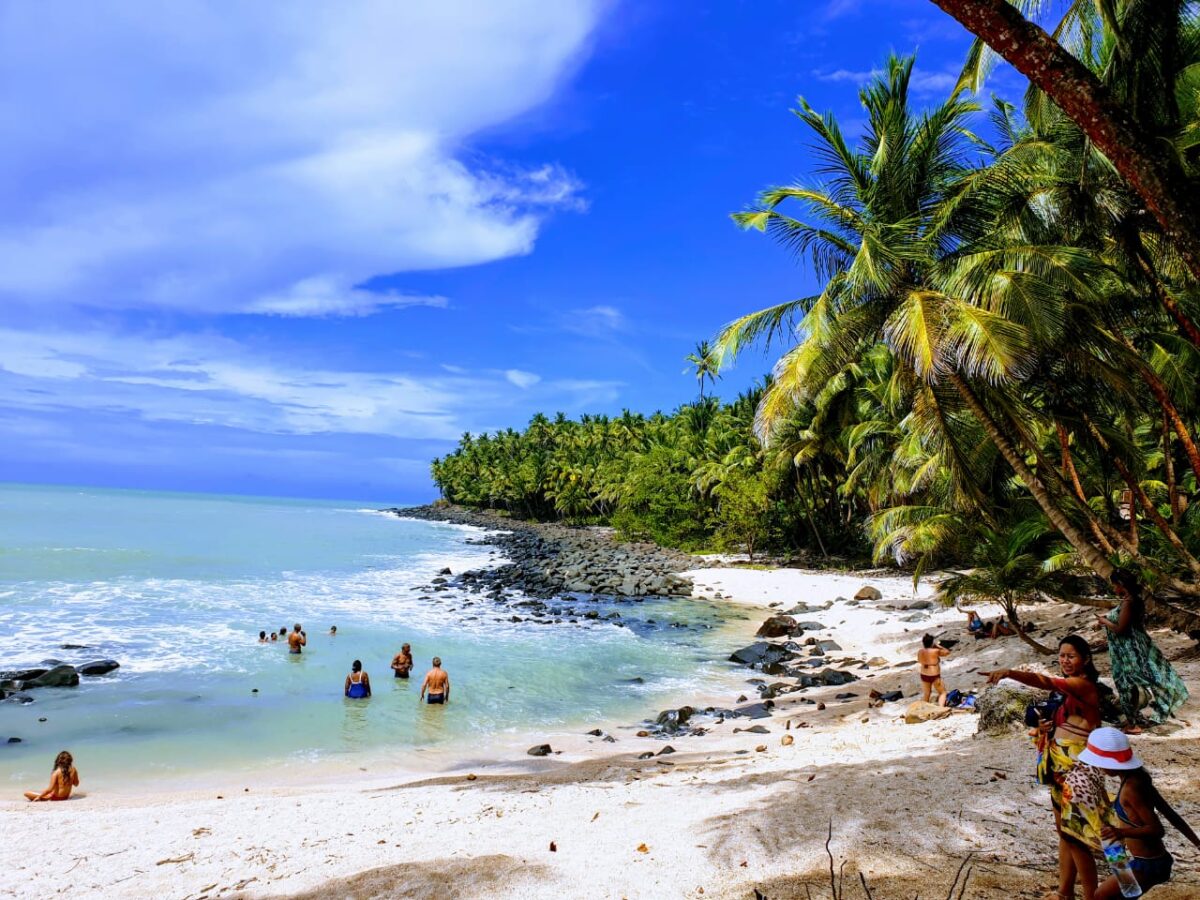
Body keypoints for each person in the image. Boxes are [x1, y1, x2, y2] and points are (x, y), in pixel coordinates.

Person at [984, 635, 1102, 900]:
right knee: (1065, 834)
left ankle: (1093, 896)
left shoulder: (1083, 686)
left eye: (1071, 656)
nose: (1065, 660)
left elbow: (1046, 680)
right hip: (1059, 768)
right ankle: (1064, 893)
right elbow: (1065, 722)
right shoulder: (1064, 694)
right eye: (1061, 655)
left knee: (1078, 837)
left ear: (1085, 659)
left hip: (1078, 771)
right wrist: (1043, 729)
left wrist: (1010, 673)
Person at [1076, 727, 1200, 898]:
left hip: (1149, 864)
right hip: (1145, 860)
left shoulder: (1131, 789)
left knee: (1101, 896)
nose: (1099, 768)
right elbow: (1170, 814)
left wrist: (1120, 832)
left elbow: (1157, 830)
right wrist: (1198, 843)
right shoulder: (1138, 779)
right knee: (1123, 895)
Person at [1097, 569, 1189, 732]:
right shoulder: (1134, 601)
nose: (1113, 588)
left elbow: (1120, 629)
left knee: (1127, 683)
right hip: (1138, 646)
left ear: (1121, 585)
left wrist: (1105, 621)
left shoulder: (1128, 602)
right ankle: (1134, 720)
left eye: (1115, 585)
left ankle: (1132, 724)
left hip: (1130, 651)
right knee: (1138, 681)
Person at [917, 634, 951, 706]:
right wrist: (938, 646)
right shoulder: (935, 651)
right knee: (942, 692)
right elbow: (947, 652)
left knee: (927, 693)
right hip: (934, 674)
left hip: (923, 674)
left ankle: (924, 708)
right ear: (932, 643)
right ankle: (941, 708)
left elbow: (919, 660)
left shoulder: (920, 651)